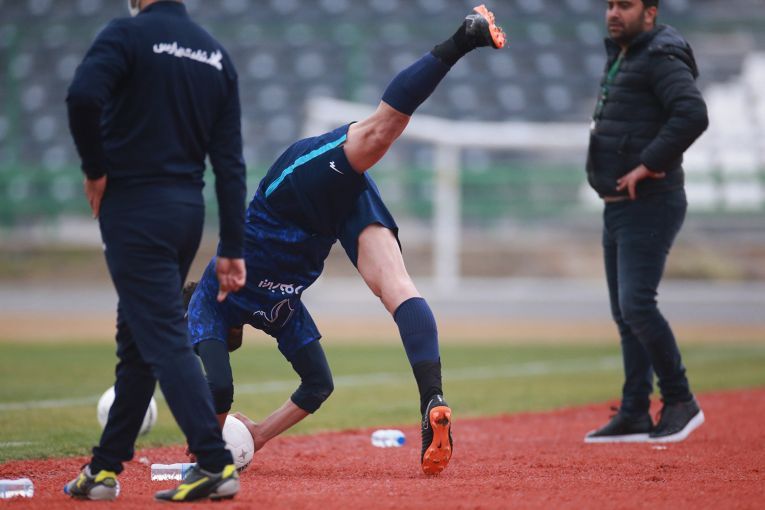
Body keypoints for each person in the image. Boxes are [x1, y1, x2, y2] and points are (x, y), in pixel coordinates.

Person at [184, 5, 506, 475]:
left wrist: (207, 444)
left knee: (379, 130)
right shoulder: (278, 312)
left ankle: (464, 36)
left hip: (290, 192)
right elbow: (317, 385)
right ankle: (432, 397)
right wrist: (258, 434)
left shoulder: (213, 297)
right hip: (326, 221)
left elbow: (217, 387)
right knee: (396, 287)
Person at [64, 0, 247, 502]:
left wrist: (95, 169)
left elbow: (82, 97)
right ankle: (103, 469)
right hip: (186, 213)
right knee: (138, 339)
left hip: (135, 207)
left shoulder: (125, 35)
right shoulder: (214, 55)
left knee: (162, 333)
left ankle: (213, 461)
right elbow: (229, 162)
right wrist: (232, 245)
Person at [584, 0, 708, 443]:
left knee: (637, 305)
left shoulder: (659, 53)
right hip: (618, 204)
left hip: (650, 202)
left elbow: (692, 113)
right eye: (610, 5)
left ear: (650, 13)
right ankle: (635, 410)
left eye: (626, 5)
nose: (614, 13)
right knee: (625, 313)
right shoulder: (627, 53)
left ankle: (680, 400)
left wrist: (649, 163)